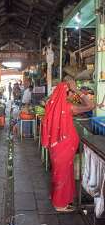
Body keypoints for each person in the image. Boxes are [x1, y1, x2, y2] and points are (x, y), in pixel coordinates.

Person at [41, 79, 95, 212]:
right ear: (67, 92)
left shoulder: (51, 104)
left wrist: (73, 89)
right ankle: (60, 204)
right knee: (63, 173)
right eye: (71, 92)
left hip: (56, 146)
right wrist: (78, 91)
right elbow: (90, 106)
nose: (73, 95)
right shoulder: (68, 107)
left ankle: (58, 197)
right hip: (64, 146)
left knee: (59, 172)